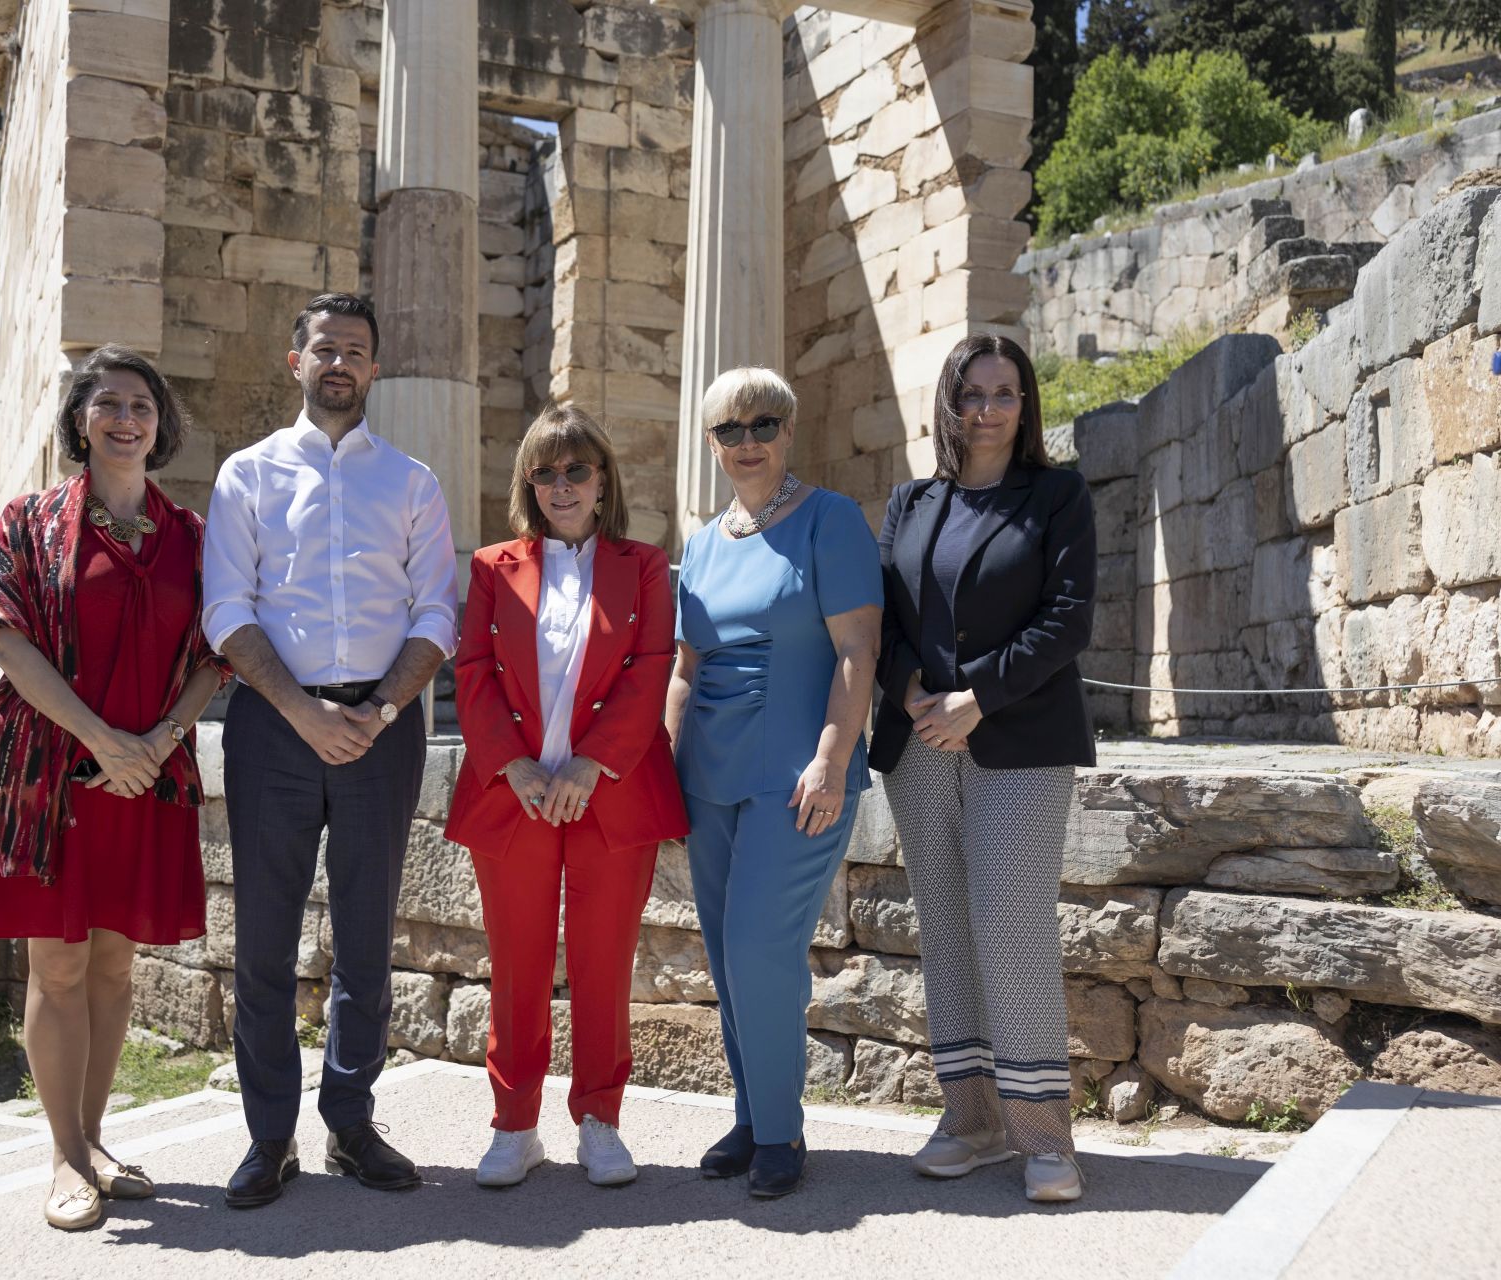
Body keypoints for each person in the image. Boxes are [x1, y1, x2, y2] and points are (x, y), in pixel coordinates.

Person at [202, 292, 459, 1209]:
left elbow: (437, 612)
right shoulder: (247, 475)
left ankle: (350, 1124)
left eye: (355, 350)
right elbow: (226, 610)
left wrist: (381, 710)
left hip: (381, 730)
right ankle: (269, 1137)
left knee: (365, 936)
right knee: (264, 940)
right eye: (325, 348)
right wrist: (300, 710)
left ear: (375, 368)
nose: (339, 362)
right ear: (296, 362)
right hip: (273, 728)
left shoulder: (412, 482)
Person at [0, 345, 230, 1231]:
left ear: (161, 426)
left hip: (146, 775)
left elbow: (215, 653)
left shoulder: (193, 536)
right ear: (80, 421)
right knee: (60, 963)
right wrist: (103, 741)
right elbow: (6, 642)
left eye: (141, 406)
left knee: (116, 963)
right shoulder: (30, 520)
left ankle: (95, 1137)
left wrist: (157, 741)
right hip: (53, 778)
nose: (125, 419)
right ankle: (64, 1157)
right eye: (108, 403)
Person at [869, 332, 1097, 1203]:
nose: (989, 409)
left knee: (1011, 924)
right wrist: (911, 688)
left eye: (1005, 393)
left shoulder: (1058, 496)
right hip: (919, 742)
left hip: (1019, 738)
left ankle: (1042, 1135)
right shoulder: (910, 502)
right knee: (947, 931)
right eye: (973, 393)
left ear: (1025, 404)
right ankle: (971, 1120)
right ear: (949, 403)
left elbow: (1068, 620)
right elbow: (883, 618)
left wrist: (977, 698)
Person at [446, 404, 687, 1189]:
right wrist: (514, 767)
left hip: (609, 794)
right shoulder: (492, 567)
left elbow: (650, 667)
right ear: (528, 484)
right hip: (512, 794)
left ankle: (600, 1120)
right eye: (544, 471)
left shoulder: (644, 566)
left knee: (603, 962)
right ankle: (514, 1125)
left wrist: (591, 765)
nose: (562, 484)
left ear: (603, 479)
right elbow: (472, 673)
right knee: (516, 964)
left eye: (576, 469)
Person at [663, 367, 882, 1199]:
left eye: (763, 424)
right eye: (730, 429)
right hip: (708, 774)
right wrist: (663, 766)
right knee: (728, 956)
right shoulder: (702, 543)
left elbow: (858, 651)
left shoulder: (831, 519)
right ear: (711, 443)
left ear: (788, 431)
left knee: (761, 949)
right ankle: (753, 1116)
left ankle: (782, 1132)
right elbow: (685, 671)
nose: (747, 441)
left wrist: (833, 758)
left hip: (799, 775)